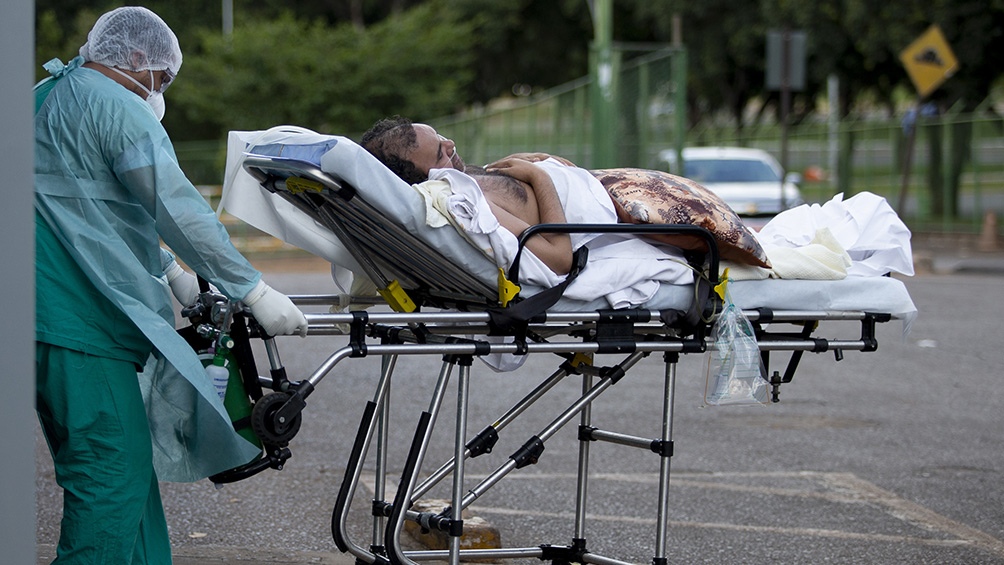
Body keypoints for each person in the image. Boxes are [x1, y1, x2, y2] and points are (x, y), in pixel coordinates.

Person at [34, 7, 308, 563]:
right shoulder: (116, 107)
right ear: (137, 59)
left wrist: (169, 270)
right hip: (81, 325)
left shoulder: (43, 98)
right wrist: (253, 290)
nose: (161, 91)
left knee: (123, 471)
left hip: (43, 314)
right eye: (163, 77)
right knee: (109, 472)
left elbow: (83, 212)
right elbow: (179, 211)